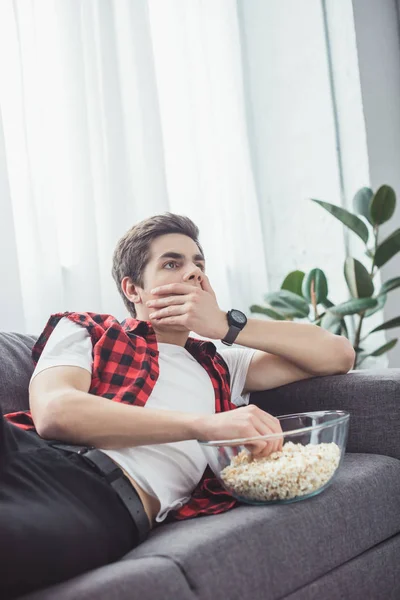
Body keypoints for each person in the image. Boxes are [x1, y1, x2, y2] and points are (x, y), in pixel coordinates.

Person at [0, 213, 355, 598]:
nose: (193, 274)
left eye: (198, 264)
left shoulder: (221, 364)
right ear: (133, 289)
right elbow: (55, 412)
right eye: (173, 263)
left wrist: (225, 325)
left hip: (99, 499)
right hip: (28, 454)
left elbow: (338, 354)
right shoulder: (88, 330)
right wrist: (205, 425)